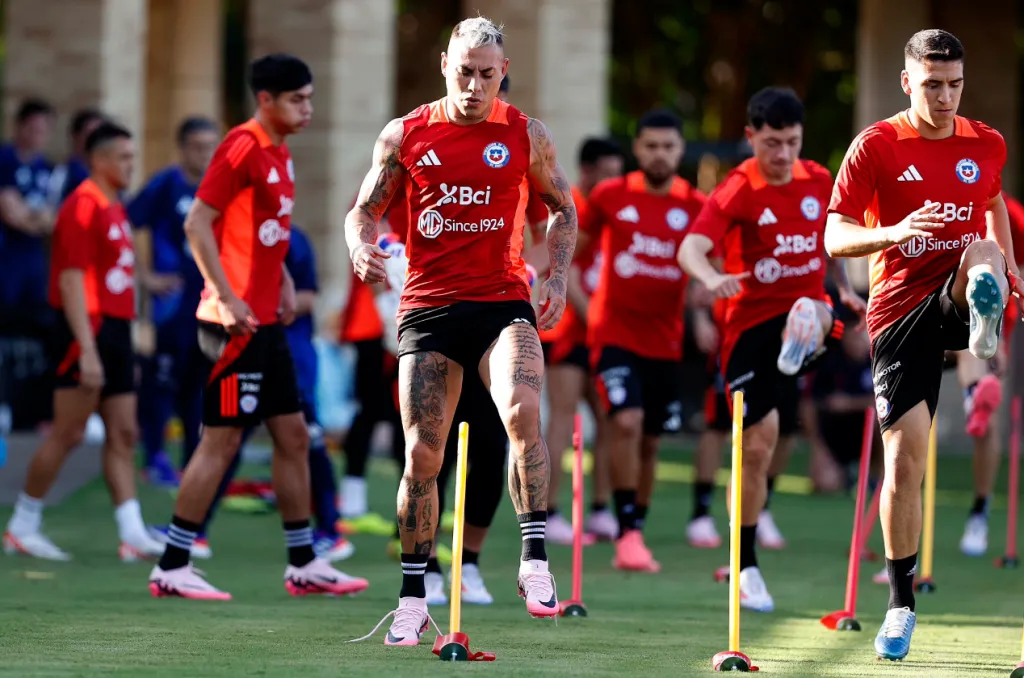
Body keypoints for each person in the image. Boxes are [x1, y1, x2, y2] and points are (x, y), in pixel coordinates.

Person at [346, 16, 577, 645]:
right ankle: (413, 598)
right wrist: (360, 247)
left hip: (503, 300)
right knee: (424, 453)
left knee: (520, 411)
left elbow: (563, 207)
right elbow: (363, 211)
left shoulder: (526, 135)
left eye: (487, 74)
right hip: (428, 308)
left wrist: (555, 278)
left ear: (503, 72)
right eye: (463, 72)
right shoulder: (406, 134)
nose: (474, 86)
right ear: (443, 65)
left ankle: (532, 561)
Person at [825, 29, 1021, 661]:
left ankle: (982, 319)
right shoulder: (875, 146)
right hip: (900, 309)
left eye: (955, 84)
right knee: (906, 463)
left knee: (982, 252)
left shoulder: (985, 141)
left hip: (959, 289)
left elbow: (992, 203)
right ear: (907, 82)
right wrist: (895, 231)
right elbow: (833, 236)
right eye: (932, 84)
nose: (945, 96)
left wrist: (1010, 266)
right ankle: (902, 604)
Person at [147, 53, 368, 600]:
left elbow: (269, 230)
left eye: (310, 98)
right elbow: (197, 223)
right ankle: (172, 565)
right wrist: (224, 295)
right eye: (297, 99)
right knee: (219, 444)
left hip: (266, 324)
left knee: (294, 436)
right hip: (232, 328)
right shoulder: (241, 146)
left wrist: (287, 282)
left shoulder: (279, 152)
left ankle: (304, 563)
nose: (308, 108)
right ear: (264, 99)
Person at [680, 87, 864, 612]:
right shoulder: (738, 189)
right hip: (750, 332)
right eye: (772, 144)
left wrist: (843, 286)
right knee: (759, 445)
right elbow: (690, 247)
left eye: (792, 142)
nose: (782, 155)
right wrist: (711, 276)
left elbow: (830, 242)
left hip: (806, 315)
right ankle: (745, 562)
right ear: (751, 137)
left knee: (817, 313)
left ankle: (807, 331)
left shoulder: (818, 180)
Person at [3, 122, 165, 562]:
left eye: (133, 157)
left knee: (124, 432)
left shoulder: (114, 206)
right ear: (99, 160)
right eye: (124, 157)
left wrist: (126, 340)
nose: (132, 165)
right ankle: (22, 524)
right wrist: (88, 348)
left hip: (114, 331)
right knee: (69, 431)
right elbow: (72, 280)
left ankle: (131, 534)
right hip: (85, 331)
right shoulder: (82, 205)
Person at [574, 110, 705, 574]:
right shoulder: (611, 195)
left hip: (665, 343)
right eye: (650, 146)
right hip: (614, 335)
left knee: (650, 441)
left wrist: (704, 304)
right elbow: (571, 257)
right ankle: (625, 530)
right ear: (637, 149)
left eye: (668, 146)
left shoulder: (695, 205)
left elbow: (707, 270)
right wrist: (588, 315)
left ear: (681, 150)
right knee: (624, 422)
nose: (659, 154)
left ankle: (637, 528)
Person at [128, 116, 220, 488]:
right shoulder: (165, 185)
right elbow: (132, 223)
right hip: (172, 302)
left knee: (198, 384)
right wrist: (145, 275)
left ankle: (192, 462)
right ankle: (154, 457)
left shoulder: (220, 188)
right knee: (161, 382)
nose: (205, 154)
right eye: (197, 146)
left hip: (209, 302)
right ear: (182, 148)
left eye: (211, 146)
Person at [541, 137, 623, 545]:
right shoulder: (568, 204)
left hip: (605, 332)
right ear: (587, 172)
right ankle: (551, 512)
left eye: (617, 174)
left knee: (611, 416)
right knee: (563, 415)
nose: (612, 182)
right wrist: (593, 317)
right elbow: (558, 266)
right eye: (605, 174)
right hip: (568, 329)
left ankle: (602, 509)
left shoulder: (617, 209)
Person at [953, 189, 1024, 557]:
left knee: (988, 415)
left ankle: (980, 510)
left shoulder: (1009, 212)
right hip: (936, 309)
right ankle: (972, 398)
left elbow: (1019, 266)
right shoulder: (933, 197)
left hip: (988, 322)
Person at [0, 99, 57, 334]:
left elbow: (53, 218)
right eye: (35, 129)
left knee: (35, 320)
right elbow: (10, 212)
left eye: (45, 130)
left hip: (35, 259)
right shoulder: (4, 160)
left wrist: (31, 216)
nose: (39, 135)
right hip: (6, 255)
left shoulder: (49, 169)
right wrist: (36, 218)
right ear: (20, 127)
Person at [51, 109, 106, 205]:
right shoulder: (62, 173)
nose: (95, 140)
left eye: (100, 134)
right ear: (76, 136)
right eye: (90, 134)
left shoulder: (107, 174)